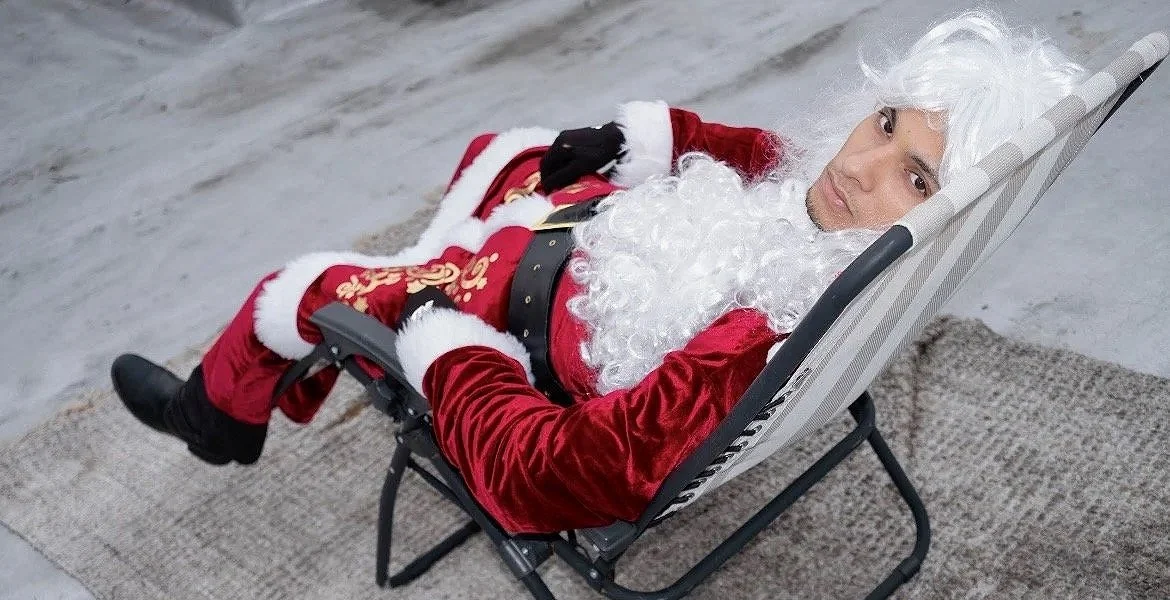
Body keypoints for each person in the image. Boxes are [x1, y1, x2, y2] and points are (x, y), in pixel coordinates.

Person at [111, 11, 1084, 534]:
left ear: (941, 207)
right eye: (882, 123)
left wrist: (449, 353)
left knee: (309, 286)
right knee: (514, 149)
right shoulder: (852, 245)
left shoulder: (754, 341)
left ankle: (216, 418)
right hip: (604, 252)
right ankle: (421, 267)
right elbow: (779, 157)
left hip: (504, 314)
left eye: (913, 174)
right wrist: (662, 139)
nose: (858, 166)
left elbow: (565, 476)